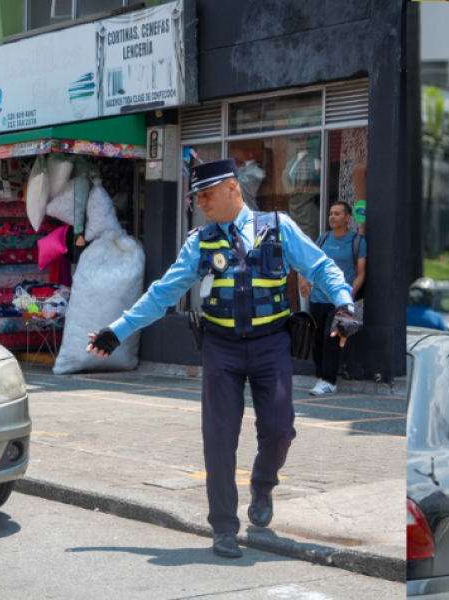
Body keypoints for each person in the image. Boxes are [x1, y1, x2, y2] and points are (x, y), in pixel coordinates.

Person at [85, 159, 360, 559]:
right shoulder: (200, 242)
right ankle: (224, 528)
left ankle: (263, 485)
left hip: (272, 345)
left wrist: (345, 306)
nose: (200, 204)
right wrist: (118, 330)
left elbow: (321, 267)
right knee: (218, 440)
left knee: (280, 430)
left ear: (232, 188)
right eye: (196, 197)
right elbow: (163, 293)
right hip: (221, 348)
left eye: (206, 195)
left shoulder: (279, 227)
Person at [301, 201, 367, 396]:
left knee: (330, 339)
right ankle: (321, 376)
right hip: (318, 298)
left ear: (348, 218)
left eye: (337, 214)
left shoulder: (357, 242)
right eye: (331, 213)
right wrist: (303, 279)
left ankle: (329, 380)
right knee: (316, 339)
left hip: (338, 301)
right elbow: (308, 262)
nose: (332, 217)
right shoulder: (322, 239)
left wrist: (348, 296)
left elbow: (361, 272)